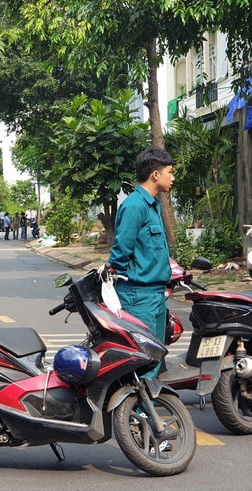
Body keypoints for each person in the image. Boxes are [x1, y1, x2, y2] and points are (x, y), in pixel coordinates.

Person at [108, 146, 174, 378]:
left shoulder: (153, 206)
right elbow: (120, 253)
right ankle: (134, 413)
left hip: (155, 295)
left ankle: (144, 412)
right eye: (170, 172)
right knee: (142, 362)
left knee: (154, 361)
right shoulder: (135, 206)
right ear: (155, 174)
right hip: (138, 297)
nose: (172, 178)